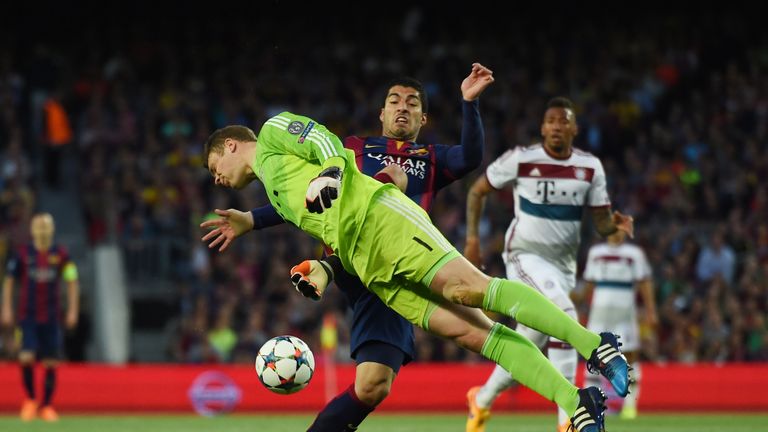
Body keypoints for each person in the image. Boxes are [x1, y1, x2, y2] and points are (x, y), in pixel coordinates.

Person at [202, 106, 629, 432]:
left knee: (471, 289)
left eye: (213, 165)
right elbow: (309, 203)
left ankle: (595, 344)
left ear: (232, 145)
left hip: (381, 221)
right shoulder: (276, 193)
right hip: (367, 265)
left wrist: (331, 173)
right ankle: (576, 402)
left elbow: (326, 142)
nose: (215, 177)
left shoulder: (274, 132)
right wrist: (268, 231)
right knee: (473, 334)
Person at [202, 64, 494, 431]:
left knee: (374, 384)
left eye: (412, 102)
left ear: (423, 116)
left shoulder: (431, 157)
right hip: (355, 257)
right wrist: (254, 218)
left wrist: (469, 103)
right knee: (477, 322)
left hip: (405, 259)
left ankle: (552, 381)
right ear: (382, 113)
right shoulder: (352, 149)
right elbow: (307, 192)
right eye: (394, 100)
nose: (402, 107)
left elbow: (469, 156)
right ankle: (563, 382)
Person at [462, 96, 634, 432]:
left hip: (562, 268)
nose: (556, 126)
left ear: (574, 128)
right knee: (565, 319)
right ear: (542, 128)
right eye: (551, 121)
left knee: (530, 342)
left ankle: (480, 400)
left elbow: (600, 222)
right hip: (523, 256)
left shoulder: (590, 168)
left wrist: (615, 226)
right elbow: (477, 191)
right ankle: (569, 420)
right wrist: (472, 240)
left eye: (563, 121)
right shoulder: (522, 159)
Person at [1, 212, 80, 422]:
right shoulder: (23, 254)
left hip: (52, 316)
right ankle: (30, 399)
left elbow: (72, 281)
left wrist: (73, 309)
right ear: (33, 231)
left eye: (46, 227)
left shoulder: (61, 255)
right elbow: (9, 281)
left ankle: (46, 406)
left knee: (51, 362)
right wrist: (6, 308)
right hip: (28, 316)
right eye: (39, 227)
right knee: (26, 356)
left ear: (52, 230)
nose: (43, 231)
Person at [582, 229, 657, 419]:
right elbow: (589, 285)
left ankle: (630, 406)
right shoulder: (596, 253)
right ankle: (592, 405)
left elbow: (644, 283)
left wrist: (650, 310)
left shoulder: (634, 254)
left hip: (625, 313)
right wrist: (582, 309)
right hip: (600, 313)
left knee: (630, 356)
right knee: (593, 356)